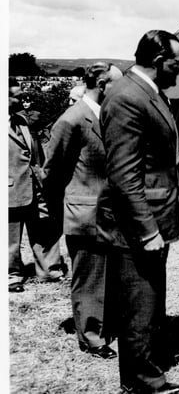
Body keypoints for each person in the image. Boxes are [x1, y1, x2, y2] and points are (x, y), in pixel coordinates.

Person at [96, 30, 179, 394]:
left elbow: (146, 156)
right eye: (176, 62)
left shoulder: (147, 93)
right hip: (135, 225)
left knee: (148, 300)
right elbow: (123, 175)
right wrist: (148, 229)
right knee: (139, 303)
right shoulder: (127, 98)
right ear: (158, 60)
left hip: (153, 217)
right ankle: (140, 380)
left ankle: (146, 363)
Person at [43, 62, 123, 359]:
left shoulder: (108, 116)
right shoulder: (72, 120)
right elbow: (52, 173)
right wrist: (63, 211)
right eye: (117, 84)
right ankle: (91, 337)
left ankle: (106, 325)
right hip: (85, 214)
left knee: (108, 275)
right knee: (89, 278)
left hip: (110, 213)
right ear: (102, 84)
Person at [9, 78, 65, 293]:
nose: (22, 99)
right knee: (10, 236)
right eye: (16, 95)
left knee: (45, 227)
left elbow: (35, 153)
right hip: (10, 188)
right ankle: (10, 275)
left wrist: (42, 175)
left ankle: (50, 270)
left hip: (35, 184)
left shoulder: (23, 121)